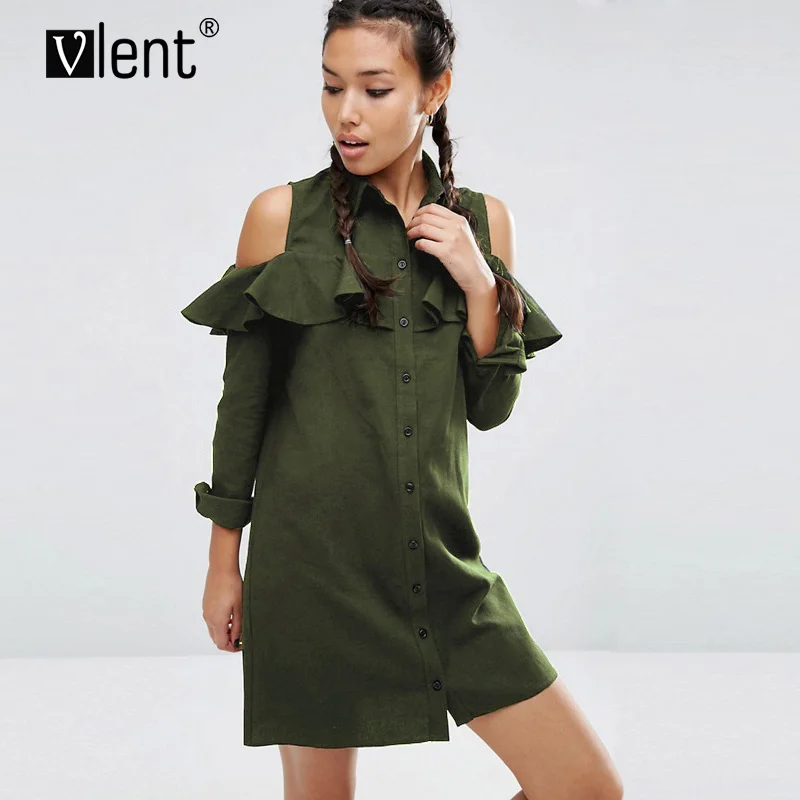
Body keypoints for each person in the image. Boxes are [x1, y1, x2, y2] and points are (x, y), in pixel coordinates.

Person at [181, 1, 623, 798]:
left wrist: (481, 284)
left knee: (585, 787)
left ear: (435, 90)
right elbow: (240, 409)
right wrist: (224, 566)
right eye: (331, 87)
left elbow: (490, 409)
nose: (346, 114)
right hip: (311, 577)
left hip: (443, 570)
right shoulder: (279, 218)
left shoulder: (483, 224)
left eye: (376, 89)